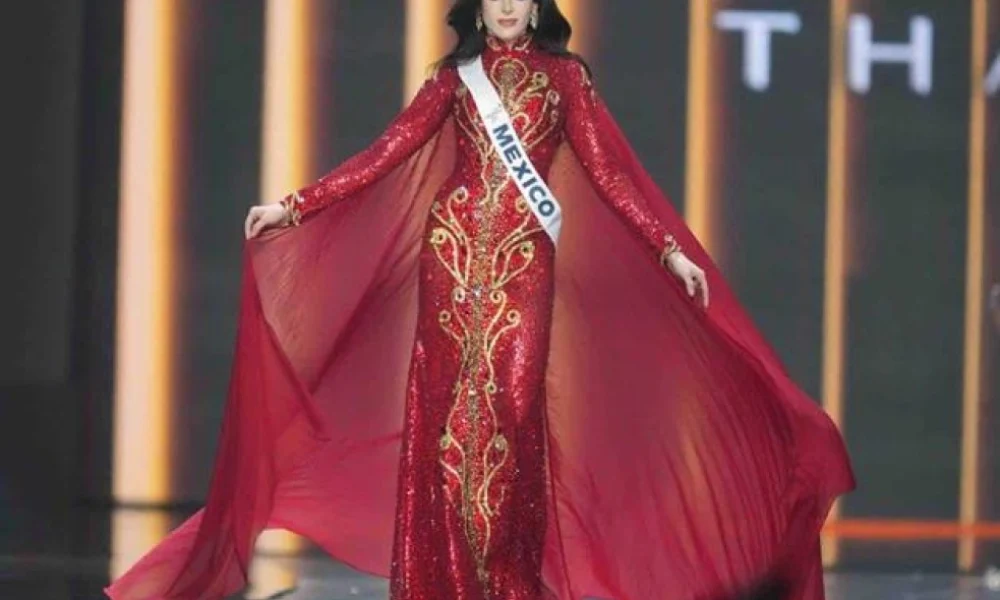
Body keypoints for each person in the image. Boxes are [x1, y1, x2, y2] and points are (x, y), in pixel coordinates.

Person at [106, 1, 855, 599]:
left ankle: (502, 581)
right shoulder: (454, 78)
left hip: (524, 267)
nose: (505, 6)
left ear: (537, 6)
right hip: (452, 261)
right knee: (445, 422)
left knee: (509, 412)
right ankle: (443, 581)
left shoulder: (565, 80)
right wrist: (295, 206)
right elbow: (388, 151)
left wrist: (668, 248)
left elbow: (608, 174)